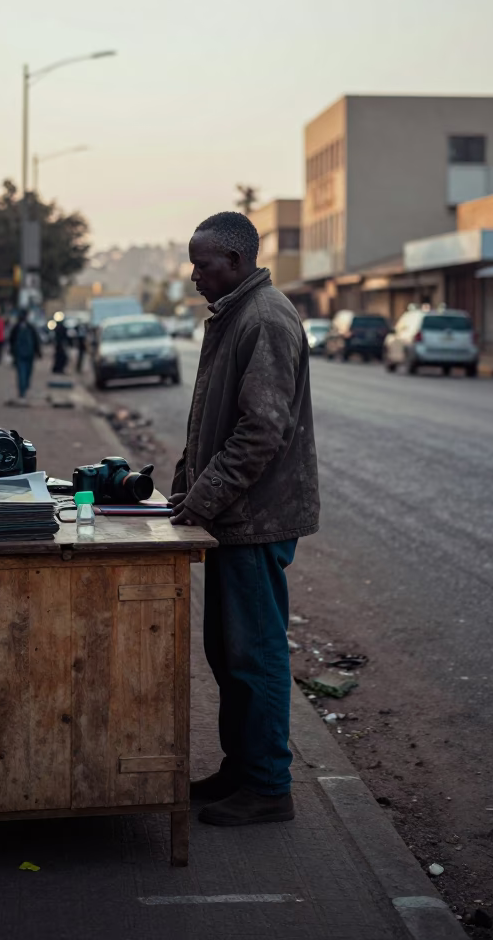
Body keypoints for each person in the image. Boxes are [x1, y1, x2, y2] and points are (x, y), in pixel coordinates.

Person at [169, 211, 319, 827]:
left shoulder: (264, 318)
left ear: (234, 262)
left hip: (255, 519)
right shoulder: (237, 314)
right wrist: (185, 488)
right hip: (233, 516)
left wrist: (201, 499)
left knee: (253, 655)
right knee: (227, 651)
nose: (195, 276)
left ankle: (267, 787)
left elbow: (261, 430)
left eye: (203, 265)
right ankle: (242, 769)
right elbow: (213, 418)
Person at [9, 310, 42, 399]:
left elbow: (11, 340)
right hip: (29, 353)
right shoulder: (30, 327)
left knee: (21, 372)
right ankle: (24, 387)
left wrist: (12, 352)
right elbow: (36, 340)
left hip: (20, 354)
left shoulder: (16, 327)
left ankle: (22, 389)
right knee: (27, 371)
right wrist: (38, 352)